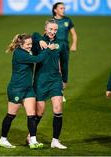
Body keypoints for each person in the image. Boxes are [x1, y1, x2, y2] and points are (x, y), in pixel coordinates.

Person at [0, 33, 50, 149]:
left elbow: (36, 35)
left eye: (31, 43)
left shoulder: (27, 50)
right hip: (16, 89)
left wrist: (40, 41)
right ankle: (3, 139)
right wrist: (46, 48)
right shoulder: (19, 54)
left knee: (31, 115)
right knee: (11, 115)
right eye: (27, 44)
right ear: (21, 44)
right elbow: (38, 59)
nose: (30, 46)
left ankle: (33, 141)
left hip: (28, 88)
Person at [31, 19, 67, 149]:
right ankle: (31, 134)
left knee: (58, 109)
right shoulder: (38, 42)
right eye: (50, 29)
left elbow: (64, 62)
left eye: (55, 30)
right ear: (45, 29)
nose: (53, 32)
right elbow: (34, 34)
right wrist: (40, 39)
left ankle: (55, 141)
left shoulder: (61, 43)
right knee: (39, 112)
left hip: (55, 80)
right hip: (40, 80)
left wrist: (65, 80)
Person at [52, 2, 78, 102]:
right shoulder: (52, 21)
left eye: (64, 8)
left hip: (65, 47)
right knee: (57, 68)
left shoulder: (67, 20)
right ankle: (58, 92)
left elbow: (74, 34)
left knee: (64, 68)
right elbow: (45, 34)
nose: (63, 10)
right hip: (55, 47)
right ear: (55, 10)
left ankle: (61, 90)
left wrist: (74, 44)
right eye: (61, 8)